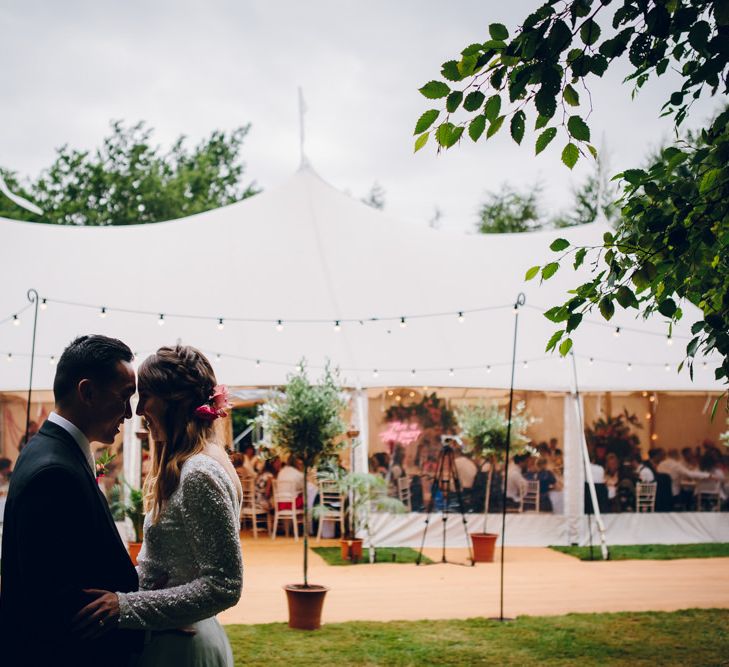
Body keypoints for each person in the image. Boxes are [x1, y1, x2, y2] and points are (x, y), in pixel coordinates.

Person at [72, 344, 243, 667]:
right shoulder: (193, 462)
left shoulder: (198, 473)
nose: (138, 411)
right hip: (171, 633)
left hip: (182, 647)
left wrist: (125, 607)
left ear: (172, 401)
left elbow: (225, 586)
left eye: (145, 397)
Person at [0, 335, 141, 667]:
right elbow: (54, 599)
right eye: (124, 397)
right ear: (87, 392)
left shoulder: (50, 450)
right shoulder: (54, 471)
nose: (130, 413)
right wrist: (147, 620)